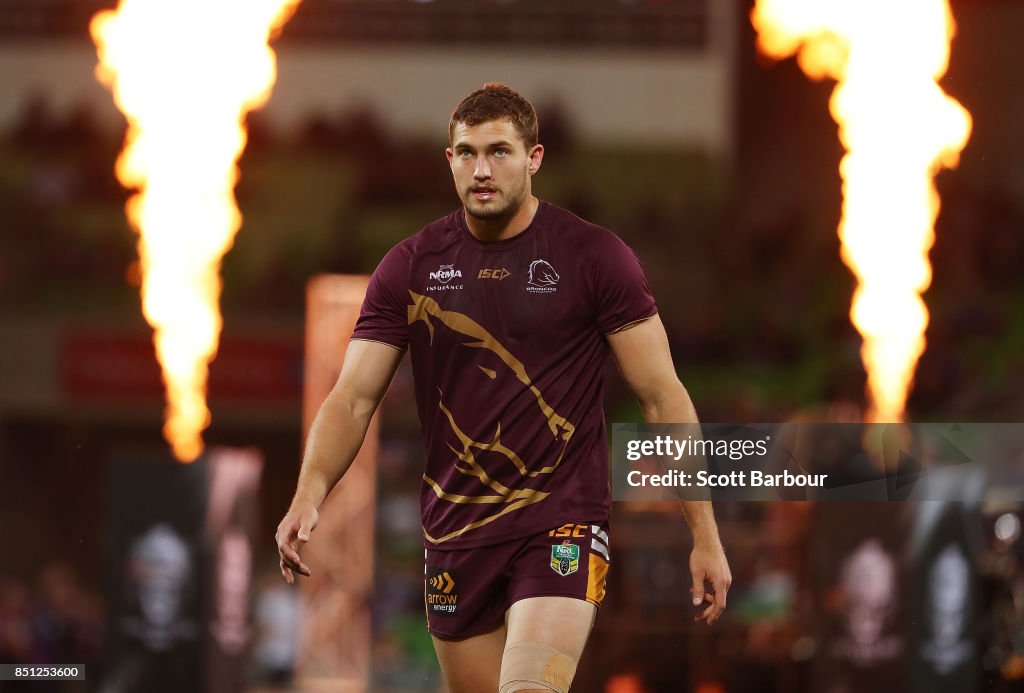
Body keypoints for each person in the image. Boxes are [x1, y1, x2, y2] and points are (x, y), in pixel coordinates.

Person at [276, 83, 731, 693]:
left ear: (534, 158)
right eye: (466, 153)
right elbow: (354, 398)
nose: (481, 170)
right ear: (450, 160)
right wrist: (309, 493)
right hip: (456, 534)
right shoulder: (409, 266)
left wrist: (704, 535)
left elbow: (662, 396)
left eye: (499, 152)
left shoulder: (594, 257)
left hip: (561, 525)